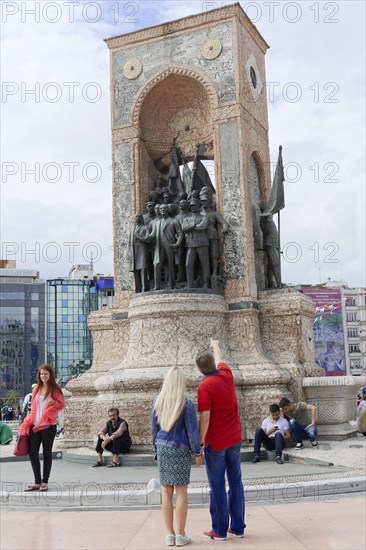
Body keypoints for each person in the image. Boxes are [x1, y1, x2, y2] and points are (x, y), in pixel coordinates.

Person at [196, 339, 245, 540]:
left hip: (215, 442)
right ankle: (238, 527)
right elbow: (220, 359)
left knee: (217, 485)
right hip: (234, 438)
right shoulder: (227, 374)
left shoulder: (204, 386)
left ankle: (219, 529)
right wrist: (215, 344)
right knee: (235, 482)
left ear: (200, 370)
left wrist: (199, 442)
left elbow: (205, 417)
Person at [151, 366, 203, 547]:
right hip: (180, 449)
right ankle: (181, 535)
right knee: (181, 492)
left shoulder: (158, 401)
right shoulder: (186, 404)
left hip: (162, 447)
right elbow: (192, 431)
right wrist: (197, 451)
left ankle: (169, 535)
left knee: (166, 492)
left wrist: (155, 450)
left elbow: (154, 429)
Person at [18, 364, 65, 491]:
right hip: (34, 424)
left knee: (46, 453)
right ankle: (37, 482)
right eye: (41, 374)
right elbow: (33, 407)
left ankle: (45, 482)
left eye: (46, 374)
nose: (43, 376)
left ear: (50, 375)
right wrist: (28, 421)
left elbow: (61, 405)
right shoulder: (36, 389)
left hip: (48, 425)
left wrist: (54, 403)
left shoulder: (55, 389)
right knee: (33, 453)